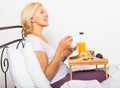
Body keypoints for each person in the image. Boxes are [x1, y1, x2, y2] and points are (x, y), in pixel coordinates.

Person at [20, 2, 106, 88]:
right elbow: (46, 76)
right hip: (60, 81)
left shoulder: (39, 37)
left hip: (66, 74)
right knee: (105, 75)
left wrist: (65, 53)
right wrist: (60, 49)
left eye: (45, 11)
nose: (46, 14)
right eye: (42, 12)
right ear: (32, 19)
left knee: (104, 71)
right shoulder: (34, 40)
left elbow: (53, 63)